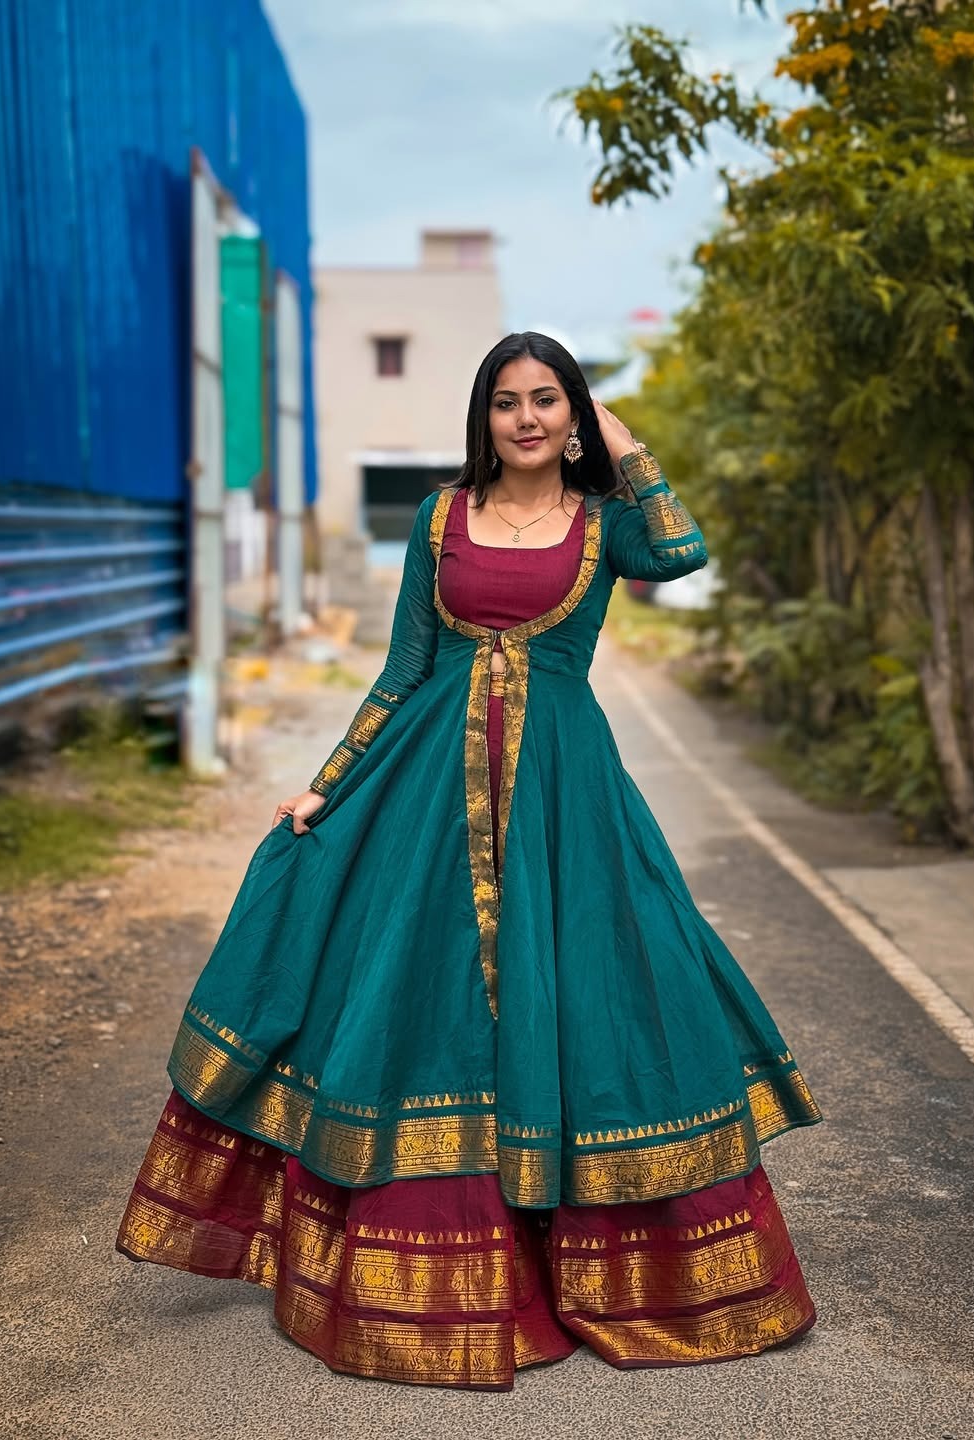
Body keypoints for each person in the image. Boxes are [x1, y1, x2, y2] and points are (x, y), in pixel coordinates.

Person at [117, 331, 822, 1390]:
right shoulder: (442, 518)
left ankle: (607, 1260)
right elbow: (404, 668)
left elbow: (682, 552)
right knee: (421, 1000)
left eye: (548, 400)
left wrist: (627, 449)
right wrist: (330, 781)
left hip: (562, 798)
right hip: (427, 796)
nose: (527, 418)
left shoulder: (601, 527)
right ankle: (430, 1259)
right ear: (483, 416)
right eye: (508, 401)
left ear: (572, 413)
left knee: (596, 989)